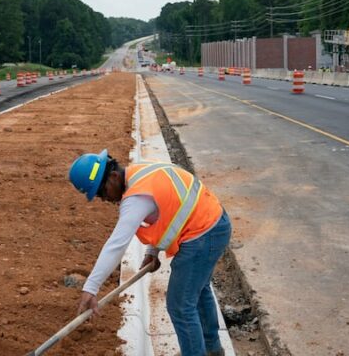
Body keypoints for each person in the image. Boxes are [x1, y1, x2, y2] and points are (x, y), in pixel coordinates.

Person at [68, 150, 231, 356]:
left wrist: (91, 288)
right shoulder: (141, 172)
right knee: (198, 290)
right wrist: (153, 250)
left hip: (202, 235)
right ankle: (212, 349)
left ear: (114, 177)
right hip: (216, 222)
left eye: (101, 192)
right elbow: (167, 208)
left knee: (180, 305)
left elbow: (116, 245)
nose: (104, 199)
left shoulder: (135, 198)